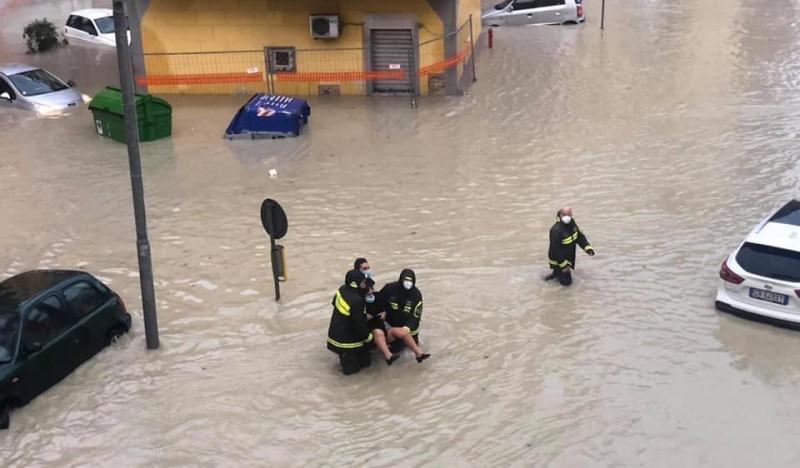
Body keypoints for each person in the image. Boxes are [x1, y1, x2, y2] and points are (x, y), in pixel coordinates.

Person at [378, 269, 430, 363]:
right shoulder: (390, 288)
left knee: (411, 348)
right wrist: (383, 311)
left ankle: (418, 354)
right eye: (406, 280)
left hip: (408, 327)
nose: (408, 283)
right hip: (391, 324)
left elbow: (415, 316)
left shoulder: (416, 295)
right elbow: (379, 301)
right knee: (395, 349)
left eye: (410, 281)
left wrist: (407, 328)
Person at [327, 269, 373, 375]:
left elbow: (335, 303)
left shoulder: (342, 290)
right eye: (363, 283)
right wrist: (369, 338)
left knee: (366, 363)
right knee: (353, 373)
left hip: (336, 335)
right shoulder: (357, 301)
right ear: (354, 284)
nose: (364, 285)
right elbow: (359, 324)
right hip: (346, 343)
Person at [545, 206, 595, 286]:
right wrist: (564, 266)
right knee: (567, 284)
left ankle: (548, 279)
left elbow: (578, 236)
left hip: (567, 257)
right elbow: (556, 250)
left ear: (571, 215)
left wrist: (587, 248)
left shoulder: (572, 223)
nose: (567, 217)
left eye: (568, 214)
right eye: (564, 215)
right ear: (560, 215)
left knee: (557, 275)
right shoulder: (556, 230)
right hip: (559, 260)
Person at [364, 278, 399, 365]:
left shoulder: (378, 296)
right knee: (378, 333)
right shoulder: (359, 303)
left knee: (400, 332)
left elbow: (387, 306)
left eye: (372, 293)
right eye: (368, 294)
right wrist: (368, 317)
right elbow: (358, 319)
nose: (371, 296)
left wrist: (384, 312)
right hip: (370, 328)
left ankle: (418, 353)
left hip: (381, 324)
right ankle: (388, 356)